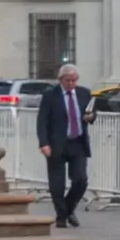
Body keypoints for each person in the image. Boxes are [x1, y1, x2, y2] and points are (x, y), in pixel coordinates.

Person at [35, 63, 95, 229]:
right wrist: (44, 143)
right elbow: (42, 121)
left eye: (74, 80)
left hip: (78, 142)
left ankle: (68, 209)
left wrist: (90, 117)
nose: (71, 83)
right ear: (60, 80)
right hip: (57, 144)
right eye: (68, 80)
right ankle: (61, 216)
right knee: (57, 184)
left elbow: (90, 114)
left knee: (80, 180)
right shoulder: (50, 95)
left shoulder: (84, 93)